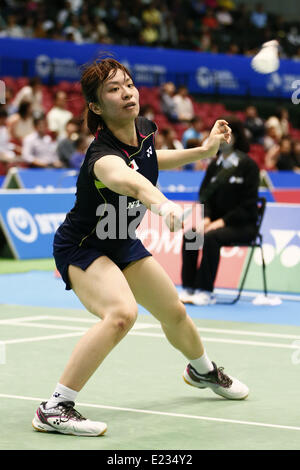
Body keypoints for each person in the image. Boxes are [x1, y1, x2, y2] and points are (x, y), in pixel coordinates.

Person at [32, 58, 249, 437]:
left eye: (128, 84)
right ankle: (55, 406)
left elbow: (150, 162)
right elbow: (133, 182)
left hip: (121, 240)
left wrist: (203, 150)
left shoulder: (145, 131)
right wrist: (162, 205)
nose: (126, 92)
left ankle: (201, 370)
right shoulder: (101, 158)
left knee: (174, 311)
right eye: (113, 89)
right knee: (121, 314)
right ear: (96, 107)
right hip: (83, 246)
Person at [180, 117, 259, 306]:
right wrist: (206, 218)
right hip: (214, 224)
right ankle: (189, 287)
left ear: (235, 138)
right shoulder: (214, 166)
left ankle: (205, 291)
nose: (221, 139)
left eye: (226, 135)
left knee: (210, 238)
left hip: (243, 226)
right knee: (192, 235)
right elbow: (204, 195)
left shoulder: (248, 166)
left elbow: (248, 205)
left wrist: (220, 222)